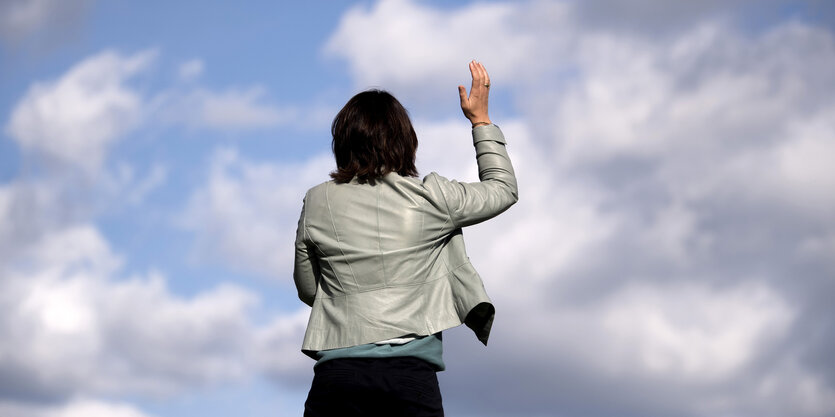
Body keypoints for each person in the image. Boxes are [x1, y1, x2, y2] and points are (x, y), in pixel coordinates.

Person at [294, 61, 517, 417]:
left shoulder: (318, 201)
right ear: (405, 141)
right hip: (410, 380)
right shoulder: (433, 198)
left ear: (343, 142)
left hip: (337, 379)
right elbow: (503, 189)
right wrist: (480, 121)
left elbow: (310, 289)